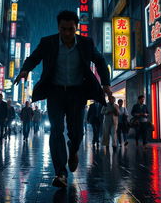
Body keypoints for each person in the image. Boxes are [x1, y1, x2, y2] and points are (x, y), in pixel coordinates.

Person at [14, 10, 111, 188]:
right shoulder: (48, 42)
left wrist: (105, 84)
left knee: (77, 133)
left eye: (70, 29)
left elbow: (100, 61)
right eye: (63, 29)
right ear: (58, 27)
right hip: (55, 93)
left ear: (76, 28)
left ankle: (73, 151)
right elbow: (34, 57)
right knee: (56, 130)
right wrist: (25, 70)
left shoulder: (86, 43)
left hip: (77, 93)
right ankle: (60, 173)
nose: (67, 33)